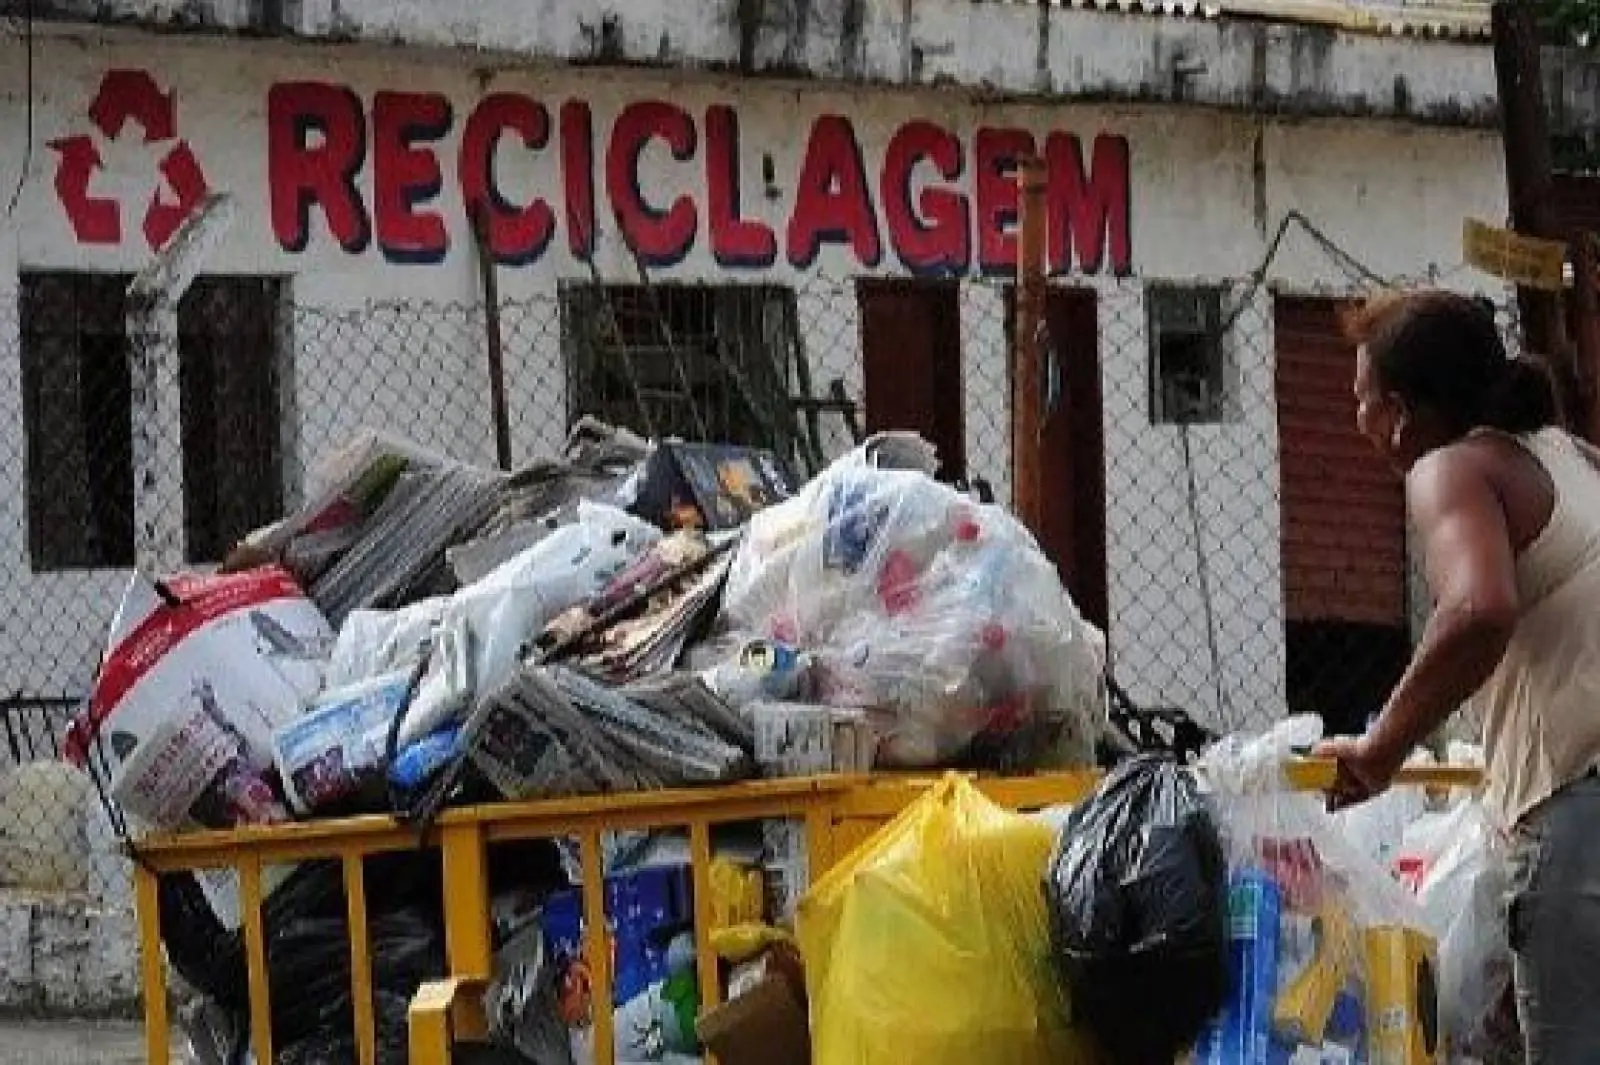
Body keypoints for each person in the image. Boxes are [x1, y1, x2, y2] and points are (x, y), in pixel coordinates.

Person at [1313, 289, 1600, 1064]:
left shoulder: (1451, 469)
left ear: (1401, 412)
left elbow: (1478, 609)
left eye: (1362, 401)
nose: (1358, 422)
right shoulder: (1566, 456)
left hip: (1576, 808)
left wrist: (1380, 751)